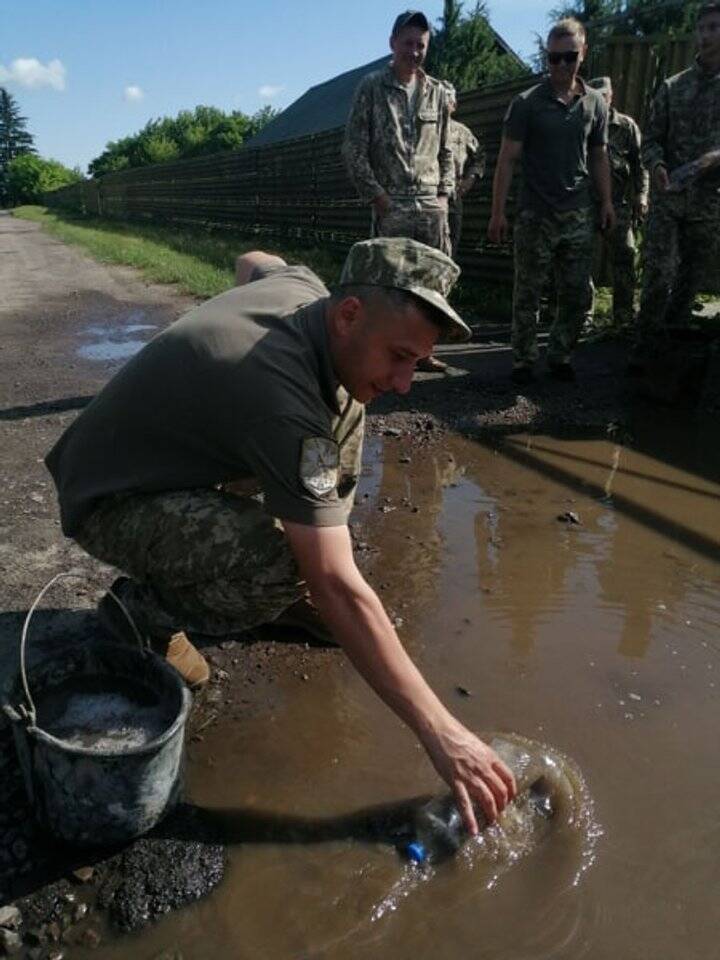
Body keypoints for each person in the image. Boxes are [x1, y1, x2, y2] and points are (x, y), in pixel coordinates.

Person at [45, 236, 516, 833]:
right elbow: (336, 583)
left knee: (346, 407)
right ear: (349, 314)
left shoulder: (306, 293)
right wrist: (445, 734)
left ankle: (274, 572)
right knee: (288, 565)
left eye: (417, 363)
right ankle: (141, 614)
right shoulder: (281, 403)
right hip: (109, 497)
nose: (404, 382)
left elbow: (253, 261)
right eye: (399, 355)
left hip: (173, 460)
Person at [488, 17, 615, 384]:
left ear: (583, 54)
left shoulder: (594, 104)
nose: (560, 66)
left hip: (577, 212)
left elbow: (599, 156)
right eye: (553, 58)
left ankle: (560, 355)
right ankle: (524, 360)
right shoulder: (526, 104)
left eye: (569, 57)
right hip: (535, 212)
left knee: (576, 293)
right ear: (547, 58)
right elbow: (508, 159)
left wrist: (606, 201)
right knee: (527, 292)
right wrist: (498, 212)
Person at [343, 9, 455, 374]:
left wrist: (444, 196)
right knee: (388, 287)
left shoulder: (437, 93)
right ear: (393, 44)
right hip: (391, 204)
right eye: (408, 43)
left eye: (421, 45)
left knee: (433, 287)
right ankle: (384, 353)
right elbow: (354, 149)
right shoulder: (372, 87)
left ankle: (423, 352)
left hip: (430, 206)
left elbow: (446, 149)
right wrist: (378, 198)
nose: (414, 51)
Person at [634, 2, 720, 364]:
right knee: (658, 273)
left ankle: (669, 350)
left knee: (691, 277)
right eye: (701, 28)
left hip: (709, 200)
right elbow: (651, 138)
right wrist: (656, 164)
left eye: (714, 28)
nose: (705, 35)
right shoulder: (673, 87)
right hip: (670, 197)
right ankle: (644, 348)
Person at [587, 76, 649, 329]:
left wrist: (641, 195)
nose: (601, 100)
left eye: (604, 96)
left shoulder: (626, 126)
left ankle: (623, 317)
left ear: (611, 96)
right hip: (586, 203)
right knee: (579, 262)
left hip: (619, 203)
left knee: (625, 257)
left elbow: (640, 164)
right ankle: (583, 316)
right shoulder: (583, 124)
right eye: (596, 96)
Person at [444, 82, 486, 258]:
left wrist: (471, 178)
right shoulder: (421, 129)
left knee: (449, 250)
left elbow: (480, 156)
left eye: (447, 100)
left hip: (452, 197)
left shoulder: (462, 132)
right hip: (425, 198)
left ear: (454, 105)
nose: (442, 103)